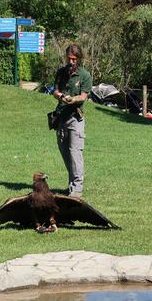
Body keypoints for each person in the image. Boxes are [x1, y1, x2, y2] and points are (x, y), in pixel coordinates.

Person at [52, 44, 92, 198]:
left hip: (76, 118)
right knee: (65, 152)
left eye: (74, 59)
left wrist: (73, 99)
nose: (71, 61)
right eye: (69, 58)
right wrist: (60, 96)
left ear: (79, 58)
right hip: (61, 116)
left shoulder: (84, 75)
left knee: (75, 153)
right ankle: (72, 185)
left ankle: (77, 190)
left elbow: (84, 96)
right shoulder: (61, 73)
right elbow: (55, 90)